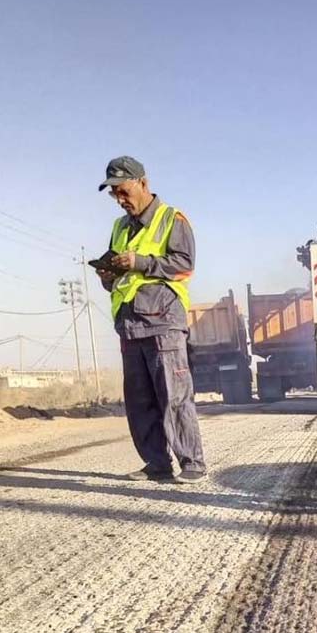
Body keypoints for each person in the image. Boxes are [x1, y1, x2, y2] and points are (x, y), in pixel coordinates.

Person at [95, 156, 206, 483]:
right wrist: (107, 274)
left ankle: (193, 463)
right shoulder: (119, 227)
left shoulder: (172, 218)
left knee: (173, 395)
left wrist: (140, 261)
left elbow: (184, 264)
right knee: (140, 401)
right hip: (129, 324)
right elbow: (118, 276)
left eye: (123, 190)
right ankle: (157, 464)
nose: (120, 199)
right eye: (114, 194)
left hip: (163, 320)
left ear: (143, 183)